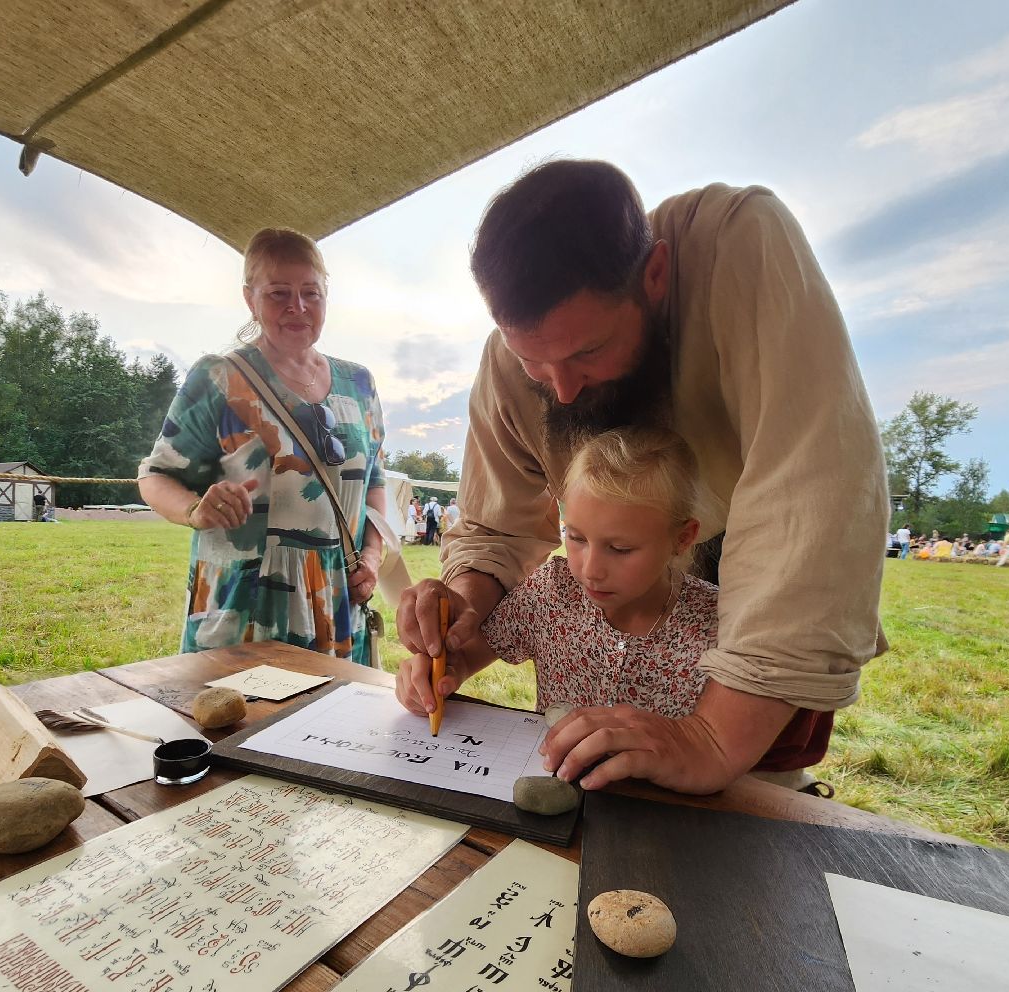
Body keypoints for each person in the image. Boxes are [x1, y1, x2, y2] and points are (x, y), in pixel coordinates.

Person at [397, 160, 887, 796]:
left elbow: (815, 495)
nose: (563, 388)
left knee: (744, 840)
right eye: (533, 363)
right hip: (588, 753)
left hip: (750, 625)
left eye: (588, 352)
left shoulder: (736, 246)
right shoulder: (513, 359)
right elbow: (496, 524)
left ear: (655, 275)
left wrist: (711, 739)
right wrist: (458, 615)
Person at [397, 429, 833, 792]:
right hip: (558, 802)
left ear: (683, 538)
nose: (589, 569)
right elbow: (466, 654)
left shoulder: (722, 626)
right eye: (577, 537)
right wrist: (434, 674)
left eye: (620, 548)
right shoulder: (552, 589)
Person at [138, 227, 387, 663]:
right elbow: (155, 476)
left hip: (337, 600)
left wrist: (372, 554)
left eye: (311, 292)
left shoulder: (360, 383)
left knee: (336, 727)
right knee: (244, 723)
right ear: (249, 298)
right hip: (248, 602)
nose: (298, 306)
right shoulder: (219, 377)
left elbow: (375, 482)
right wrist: (195, 510)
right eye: (278, 293)